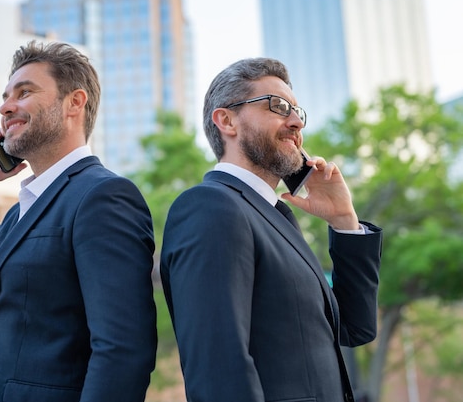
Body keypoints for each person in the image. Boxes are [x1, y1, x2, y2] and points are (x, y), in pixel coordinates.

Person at [0, 41, 157, 402]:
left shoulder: (104, 197)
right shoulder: (21, 212)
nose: (5, 107)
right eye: (5, 97)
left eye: (24, 92)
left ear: (74, 103)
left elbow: (123, 349)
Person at [160, 57, 383, 402]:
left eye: (298, 112)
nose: (296, 122)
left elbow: (355, 329)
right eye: (278, 107)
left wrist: (344, 222)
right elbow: (218, 369)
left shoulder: (275, 216)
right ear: (227, 120)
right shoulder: (210, 208)